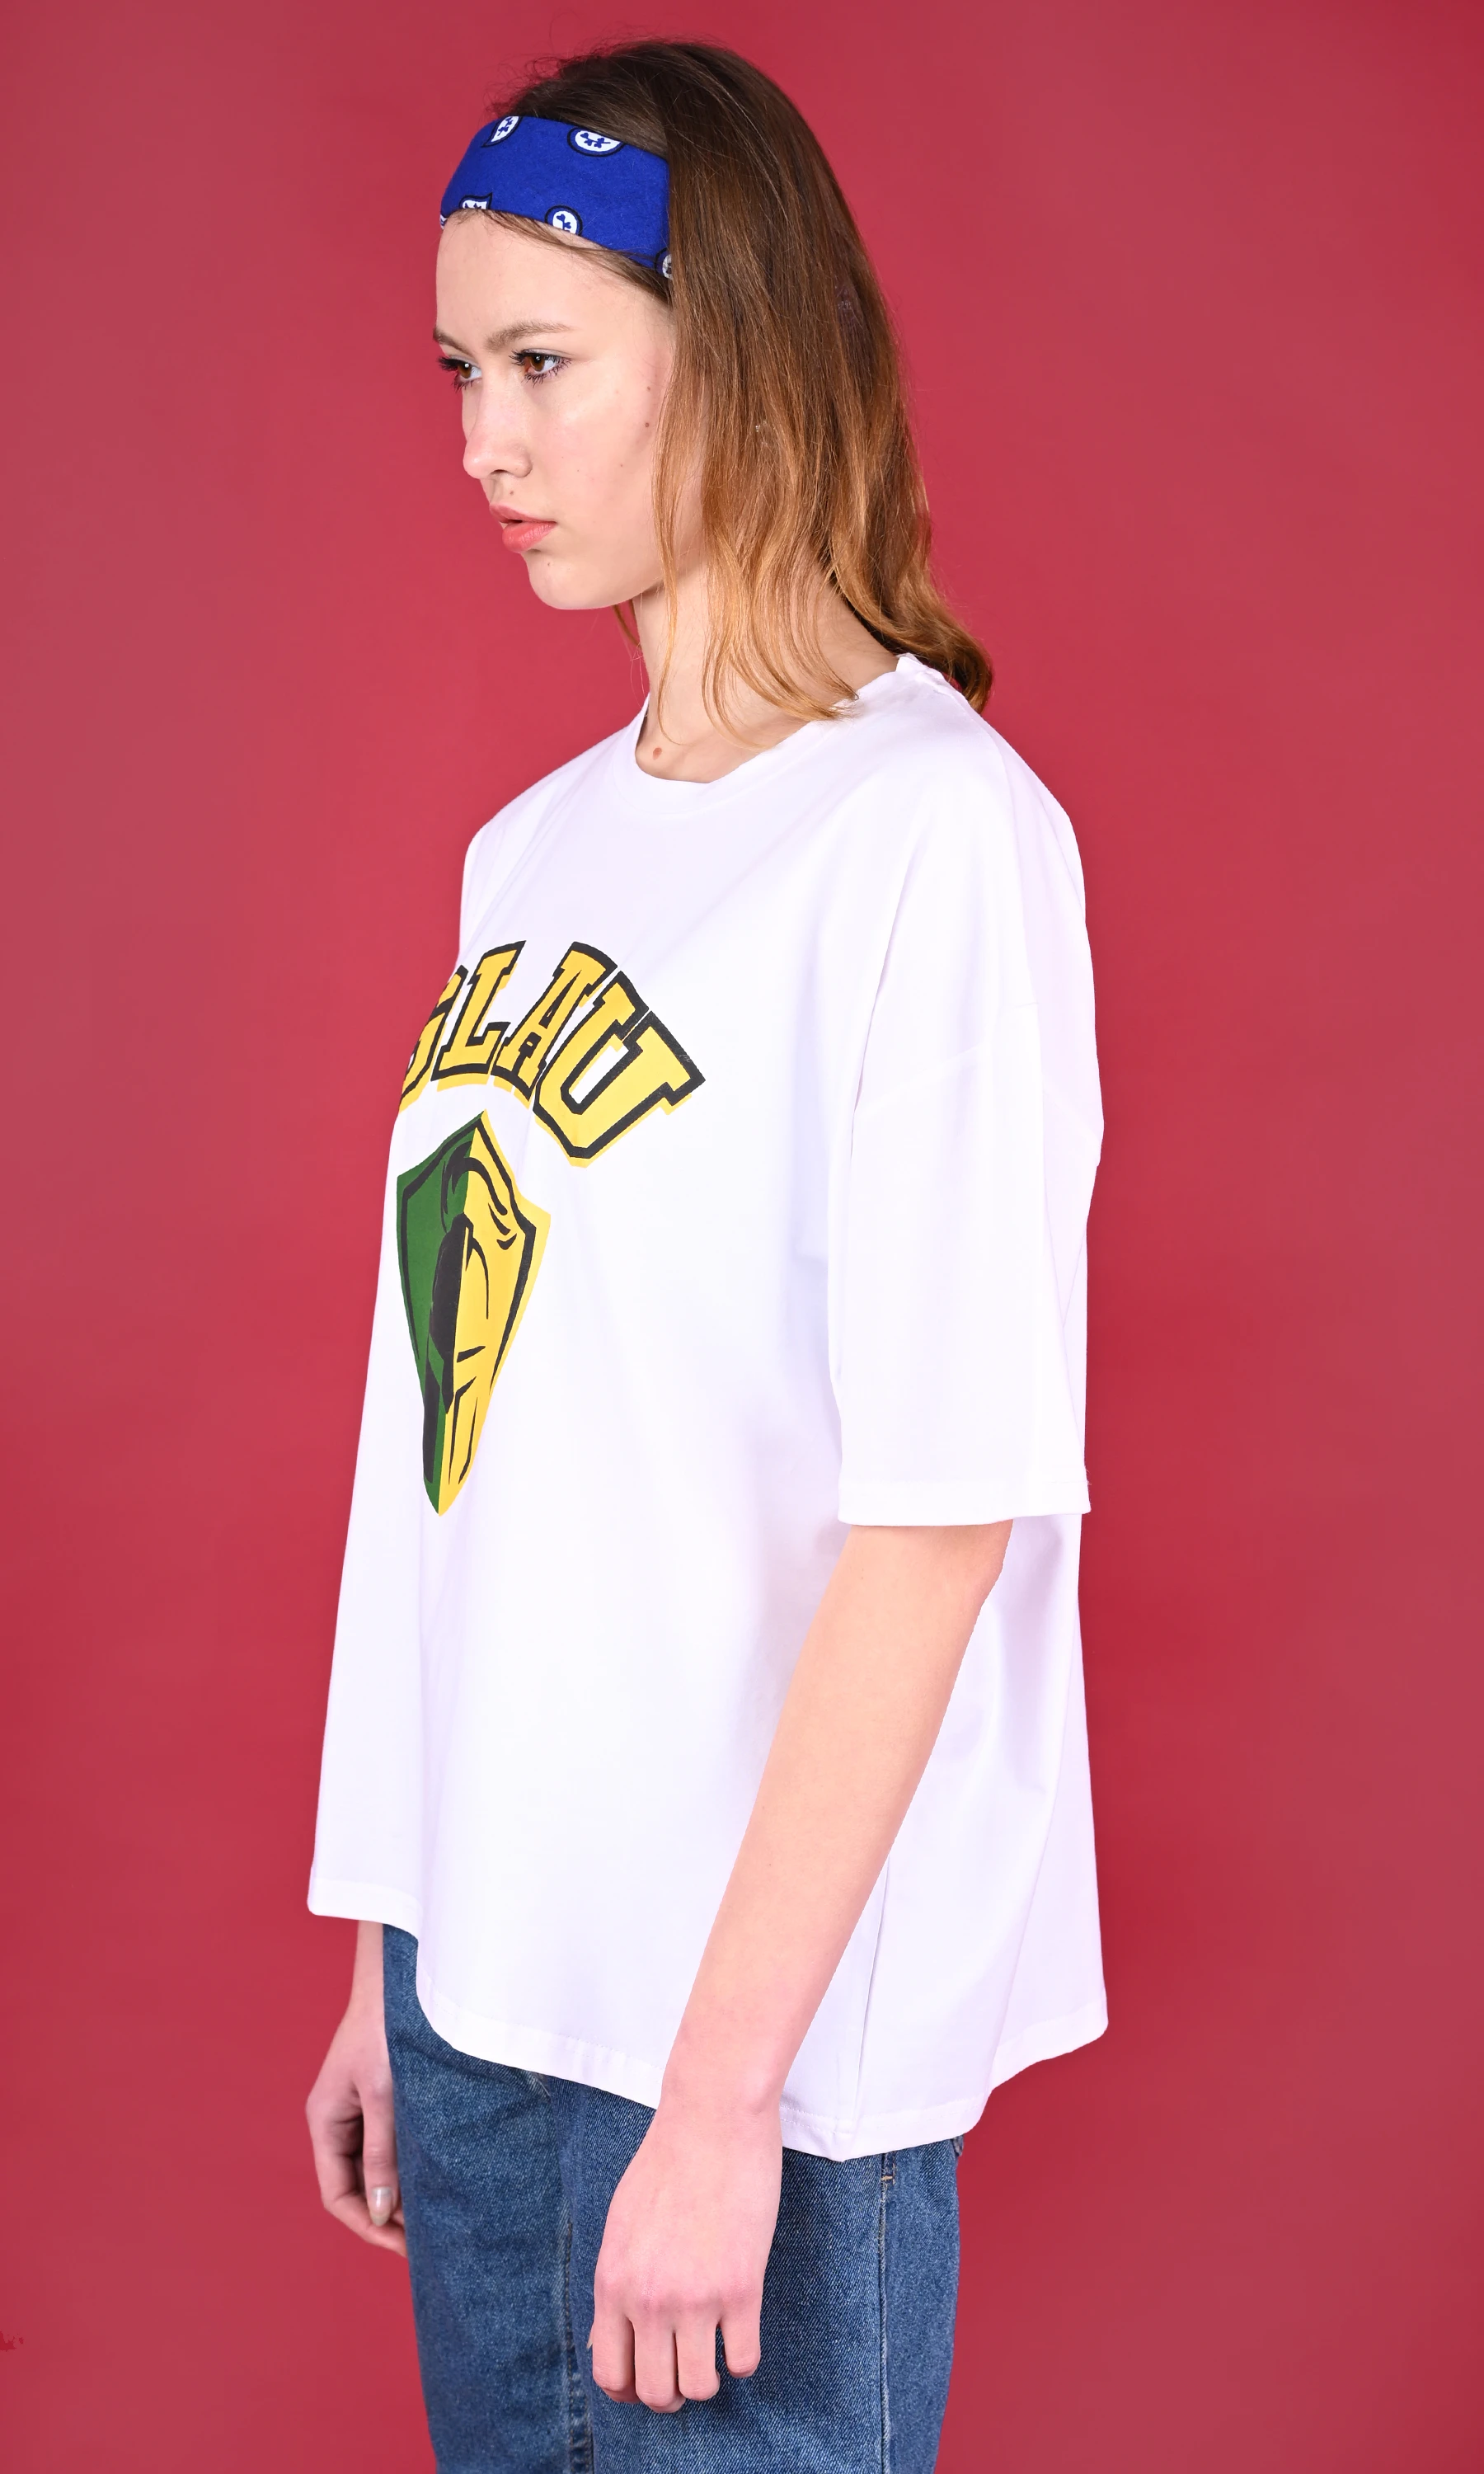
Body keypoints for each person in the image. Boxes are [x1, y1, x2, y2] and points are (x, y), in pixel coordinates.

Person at [305, 39, 1104, 2473]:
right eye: (461, 369)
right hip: (483, 2004)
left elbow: (941, 1512)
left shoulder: (931, 836)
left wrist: (730, 2099)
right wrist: (392, 1942)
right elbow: (456, 1427)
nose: (485, 439)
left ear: (738, 347)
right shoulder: (529, 854)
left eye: (545, 363)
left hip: (733, 2067)